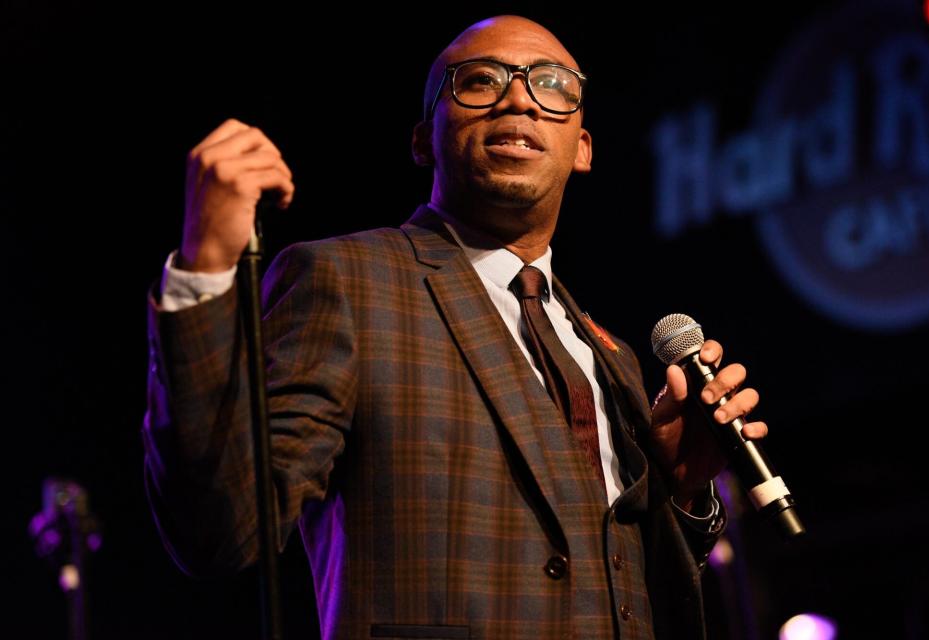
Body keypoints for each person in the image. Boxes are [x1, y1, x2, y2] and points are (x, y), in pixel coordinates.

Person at [144, 14, 767, 640]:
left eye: (551, 84)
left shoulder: (611, 355)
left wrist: (681, 493)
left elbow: (632, 591)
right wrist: (205, 270)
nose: (519, 97)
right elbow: (222, 529)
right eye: (479, 80)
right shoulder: (347, 280)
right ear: (423, 139)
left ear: (583, 147)